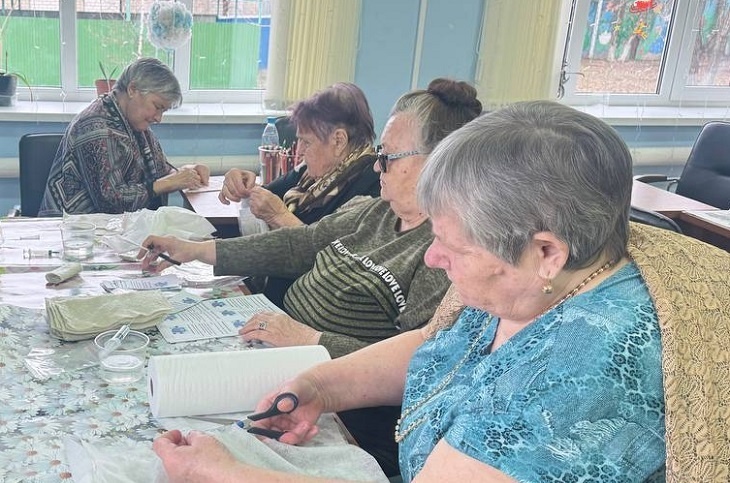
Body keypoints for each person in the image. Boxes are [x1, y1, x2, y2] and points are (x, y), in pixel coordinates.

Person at [153, 100, 730, 482]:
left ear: (546, 252)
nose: (432, 257)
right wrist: (320, 387)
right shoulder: (539, 281)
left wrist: (223, 473)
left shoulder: (589, 368)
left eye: (455, 246)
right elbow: (440, 341)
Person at [142, 78, 483, 476]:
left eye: (387, 157)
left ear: (438, 161)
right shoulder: (376, 212)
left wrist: (310, 340)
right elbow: (297, 245)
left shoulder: (443, 254)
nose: (377, 166)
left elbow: (417, 368)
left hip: (346, 411)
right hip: (291, 367)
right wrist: (196, 251)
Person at [218, 82, 381, 307]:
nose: (299, 151)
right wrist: (241, 182)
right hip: (271, 295)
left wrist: (279, 217)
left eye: (306, 142)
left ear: (339, 140)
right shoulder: (311, 174)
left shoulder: (372, 186)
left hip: (307, 310)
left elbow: (337, 262)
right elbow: (266, 193)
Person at [39, 57, 209, 216]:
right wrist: (169, 182)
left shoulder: (131, 122)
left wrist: (187, 172)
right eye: (157, 107)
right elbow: (111, 203)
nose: (158, 118)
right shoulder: (96, 128)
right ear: (132, 89)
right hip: (76, 230)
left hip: (117, 228)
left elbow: (160, 171)